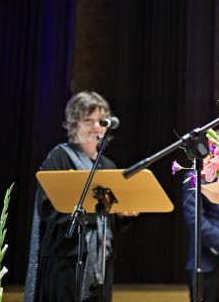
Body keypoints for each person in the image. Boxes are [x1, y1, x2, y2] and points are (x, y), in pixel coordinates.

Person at [26, 91, 137, 302]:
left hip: (101, 262)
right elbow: (47, 207)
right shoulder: (59, 157)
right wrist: (94, 215)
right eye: (88, 120)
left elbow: (109, 220)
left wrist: (121, 215)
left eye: (101, 121)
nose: (96, 127)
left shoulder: (108, 165)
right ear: (73, 123)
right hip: (65, 258)